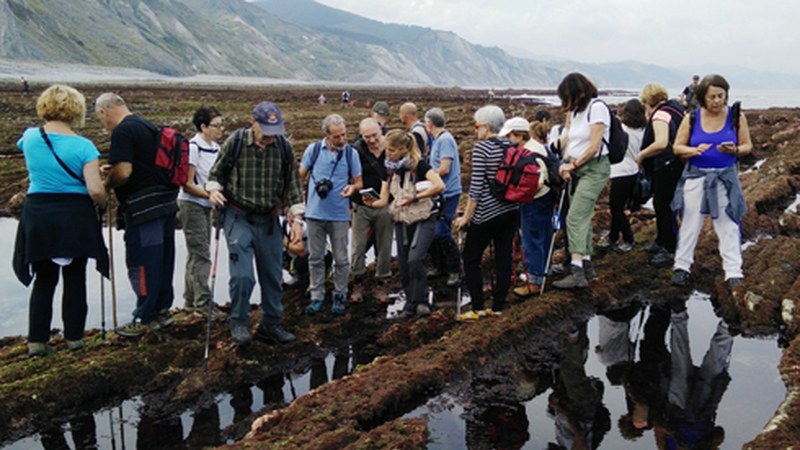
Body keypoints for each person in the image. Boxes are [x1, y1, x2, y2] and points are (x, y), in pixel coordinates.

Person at [13, 84, 108, 356]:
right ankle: (75, 340)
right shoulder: (84, 146)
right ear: (76, 109)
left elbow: (37, 163)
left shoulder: (30, 137)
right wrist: (102, 200)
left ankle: (37, 342)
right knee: (75, 278)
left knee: (44, 279)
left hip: (39, 212)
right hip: (74, 214)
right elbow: (94, 189)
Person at [206, 101, 305, 346]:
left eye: (276, 131)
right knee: (243, 277)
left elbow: (293, 186)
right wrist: (214, 191)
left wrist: (297, 221)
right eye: (267, 131)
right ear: (253, 122)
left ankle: (271, 324)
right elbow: (215, 175)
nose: (272, 137)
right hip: (238, 217)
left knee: (272, 275)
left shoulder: (284, 148)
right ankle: (239, 322)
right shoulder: (236, 143)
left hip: (270, 220)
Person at [97, 93, 178, 337]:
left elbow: (123, 172)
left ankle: (145, 316)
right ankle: (162, 310)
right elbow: (145, 163)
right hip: (165, 204)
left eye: (101, 119)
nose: (103, 124)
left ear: (105, 111)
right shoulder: (146, 125)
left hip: (143, 209)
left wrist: (107, 184)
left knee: (143, 261)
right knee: (163, 258)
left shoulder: (122, 131)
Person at [671, 74, 752, 289]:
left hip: (725, 177)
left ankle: (733, 271)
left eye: (721, 96)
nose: (717, 101)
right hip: (697, 176)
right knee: (690, 222)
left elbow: (747, 146)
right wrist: (693, 150)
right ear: (702, 98)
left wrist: (734, 150)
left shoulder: (736, 116)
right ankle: (682, 267)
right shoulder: (692, 117)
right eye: (712, 97)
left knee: (728, 223)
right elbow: (677, 146)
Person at [369, 130, 444, 318]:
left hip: (424, 217)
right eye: (387, 149)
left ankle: (422, 301)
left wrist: (415, 197)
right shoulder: (389, 168)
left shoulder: (419, 165)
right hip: (401, 219)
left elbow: (439, 185)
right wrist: (370, 201)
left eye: (392, 150)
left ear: (404, 149)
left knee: (415, 258)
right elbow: (384, 198)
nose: (388, 153)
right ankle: (411, 304)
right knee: (403, 265)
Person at [454, 105, 519, 319]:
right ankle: (499, 306)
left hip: (487, 213)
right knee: (503, 257)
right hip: (511, 210)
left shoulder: (482, 148)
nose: (475, 130)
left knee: (470, 258)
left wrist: (467, 217)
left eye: (477, 125)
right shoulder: (513, 146)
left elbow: (476, 187)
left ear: (487, 126)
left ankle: (478, 308)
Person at [299, 114, 363, 316]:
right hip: (314, 214)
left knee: (342, 258)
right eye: (337, 136)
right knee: (315, 257)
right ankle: (316, 296)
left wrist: (352, 189)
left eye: (344, 135)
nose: (342, 139)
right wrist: (296, 205)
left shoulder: (350, 153)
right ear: (326, 134)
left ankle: (339, 294)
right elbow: (299, 174)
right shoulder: (314, 150)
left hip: (339, 214)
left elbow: (358, 182)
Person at [552, 73, 611, 290]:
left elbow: (594, 146)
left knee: (574, 217)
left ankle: (577, 272)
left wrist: (573, 166)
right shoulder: (577, 112)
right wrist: (564, 163)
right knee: (582, 216)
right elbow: (571, 142)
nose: (564, 103)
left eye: (566, 97)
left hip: (593, 169)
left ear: (578, 93)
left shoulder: (597, 108)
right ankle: (586, 264)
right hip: (576, 168)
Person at [177, 106, 226, 320]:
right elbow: (186, 184)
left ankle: (190, 300)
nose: (221, 129)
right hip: (192, 205)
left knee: (196, 253)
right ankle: (202, 304)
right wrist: (210, 196)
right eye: (216, 125)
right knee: (201, 255)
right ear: (203, 126)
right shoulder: (193, 147)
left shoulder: (215, 147)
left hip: (205, 205)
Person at [498, 117, 553, 298]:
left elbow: (537, 182)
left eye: (509, 136)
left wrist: (519, 195)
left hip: (534, 199)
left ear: (519, 135)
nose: (507, 141)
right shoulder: (537, 147)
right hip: (545, 197)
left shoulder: (529, 152)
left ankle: (534, 282)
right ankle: (544, 270)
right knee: (543, 235)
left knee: (531, 238)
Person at [638, 83, 686, 268]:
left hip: (666, 165)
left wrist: (641, 154)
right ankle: (661, 240)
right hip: (675, 164)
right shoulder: (676, 110)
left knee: (664, 205)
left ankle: (670, 248)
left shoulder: (660, 114)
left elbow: (661, 143)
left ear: (648, 101)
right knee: (661, 203)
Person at [350, 118, 393, 302]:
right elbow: (349, 176)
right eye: (367, 137)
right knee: (358, 246)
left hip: (386, 205)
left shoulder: (391, 147)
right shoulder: (355, 150)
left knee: (384, 246)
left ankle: (381, 284)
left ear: (381, 130)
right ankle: (357, 283)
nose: (372, 140)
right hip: (362, 205)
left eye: (375, 135)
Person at [597, 99, 646, 253]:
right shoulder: (643, 131)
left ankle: (629, 239)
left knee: (616, 209)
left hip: (620, 172)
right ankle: (612, 237)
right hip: (633, 171)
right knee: (619, 206)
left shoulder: (622, 130)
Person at [424, 107, 462, 287]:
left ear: (429, 123)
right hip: (439, 192)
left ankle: (455, 270)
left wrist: (428, 176)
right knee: (433, 231)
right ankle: (440, 267)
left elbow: (445, 168)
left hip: (449, 193)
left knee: (442, 231)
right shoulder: (438, 139)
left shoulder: (445, 140)